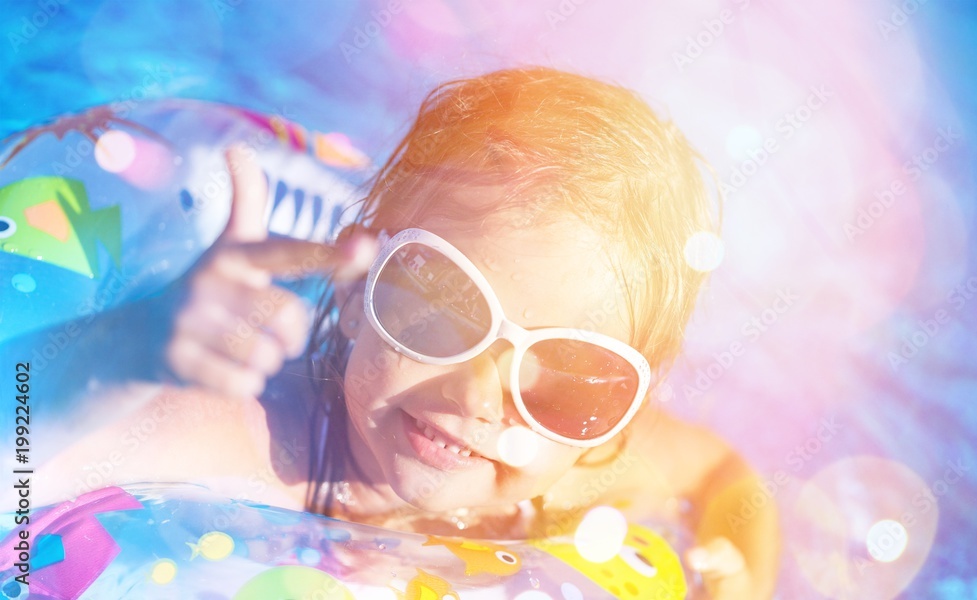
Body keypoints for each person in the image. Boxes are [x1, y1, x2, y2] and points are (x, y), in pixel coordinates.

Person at [17, 68, 779, 599]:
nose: (478, 394)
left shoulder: (579, 471)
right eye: (446, 301)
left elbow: (724, 480)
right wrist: (127, 354)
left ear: (613, 419)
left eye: (568, 371)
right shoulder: (241, 435)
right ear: (355, 287)